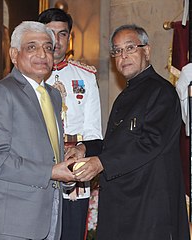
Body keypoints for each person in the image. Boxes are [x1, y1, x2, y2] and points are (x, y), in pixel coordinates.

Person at [65, 24, 190, 240]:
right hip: (123, 206)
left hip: (148, 208)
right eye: (117, 51)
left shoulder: (162, 92)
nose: (123, 56)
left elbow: (148, 143)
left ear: (147, 51)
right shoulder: (125, 95)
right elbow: (115, 145)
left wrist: (101, 163)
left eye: (130, 48)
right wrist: (84, 148)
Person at [0, 21, 76, 240]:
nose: (42, 53)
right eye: (32, 47)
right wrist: (50, 171)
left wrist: (67, 171)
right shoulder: (1, 93)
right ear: (13, 54)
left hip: (47, 220)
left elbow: (46, 155)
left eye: (48, 47)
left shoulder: (53, 96)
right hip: (9, 223)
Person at [38, 8, 103, 240]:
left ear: (69, 37)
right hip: (37, 170)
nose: (56, 41)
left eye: (62, 34)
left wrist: (80, 151)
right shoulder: (28, 77)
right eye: (50, 33)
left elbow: (94, 133)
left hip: (75, 168)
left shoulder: (85, 77)